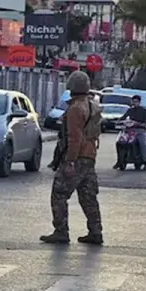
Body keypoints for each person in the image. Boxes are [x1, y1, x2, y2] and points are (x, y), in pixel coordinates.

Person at [41, 70, 104, 245]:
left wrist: (69, 161)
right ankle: (95, 231)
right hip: (89, 156)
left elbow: (74, 137)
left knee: (59, 194)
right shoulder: (91, 105)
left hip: (77, 157)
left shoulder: (76, 108)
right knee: (88, 196)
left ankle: (61, 231)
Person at [118, 94, 146, 170]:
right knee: (119, 142)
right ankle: (119, 161)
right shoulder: (130, 110)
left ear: (139, 102)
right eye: (133, 101)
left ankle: (145, 162)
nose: (135, 103)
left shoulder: (143, 111)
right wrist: (118, 121)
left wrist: (141, 124)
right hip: (129, 131)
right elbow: (123, 117)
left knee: (143, 144)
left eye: (136, 102)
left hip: (139, 131)